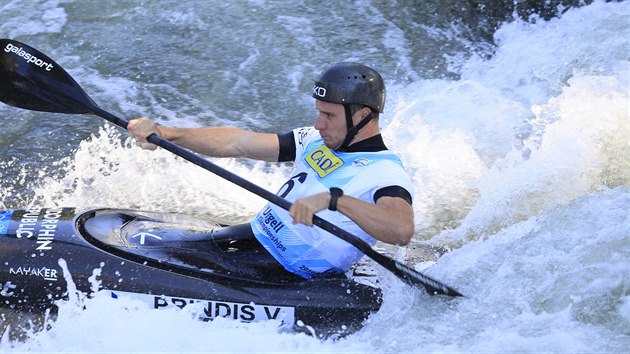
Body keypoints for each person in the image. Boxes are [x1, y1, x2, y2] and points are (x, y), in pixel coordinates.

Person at [128, 62, 415, 279]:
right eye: (319, 112)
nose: (319, 124)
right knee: (151, 248)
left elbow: (400, 230)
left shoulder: (384, 172)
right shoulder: (313, 140)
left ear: (363, 115)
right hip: (251, 238)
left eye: (329, 115)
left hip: (289, 273)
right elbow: (239, 142)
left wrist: (334, 200)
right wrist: (166, 133)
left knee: (153, 266)